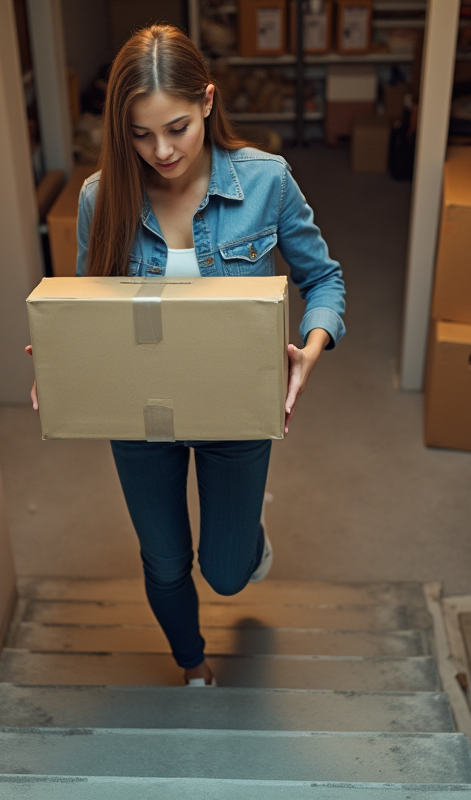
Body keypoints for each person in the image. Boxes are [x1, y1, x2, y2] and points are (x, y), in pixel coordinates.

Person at [31, 24, 345, 687]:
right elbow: (93, 305)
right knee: (166, 561)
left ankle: (246, 533)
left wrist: (311, 350)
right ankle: (191, 662)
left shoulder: (267, 181)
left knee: (226, 575)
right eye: (141, 135)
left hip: (235, 408)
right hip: (141, 414)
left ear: (206, 100)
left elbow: (324, 279)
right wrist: (63, 359)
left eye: (176, 128)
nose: (162, 151)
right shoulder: (100, 197)